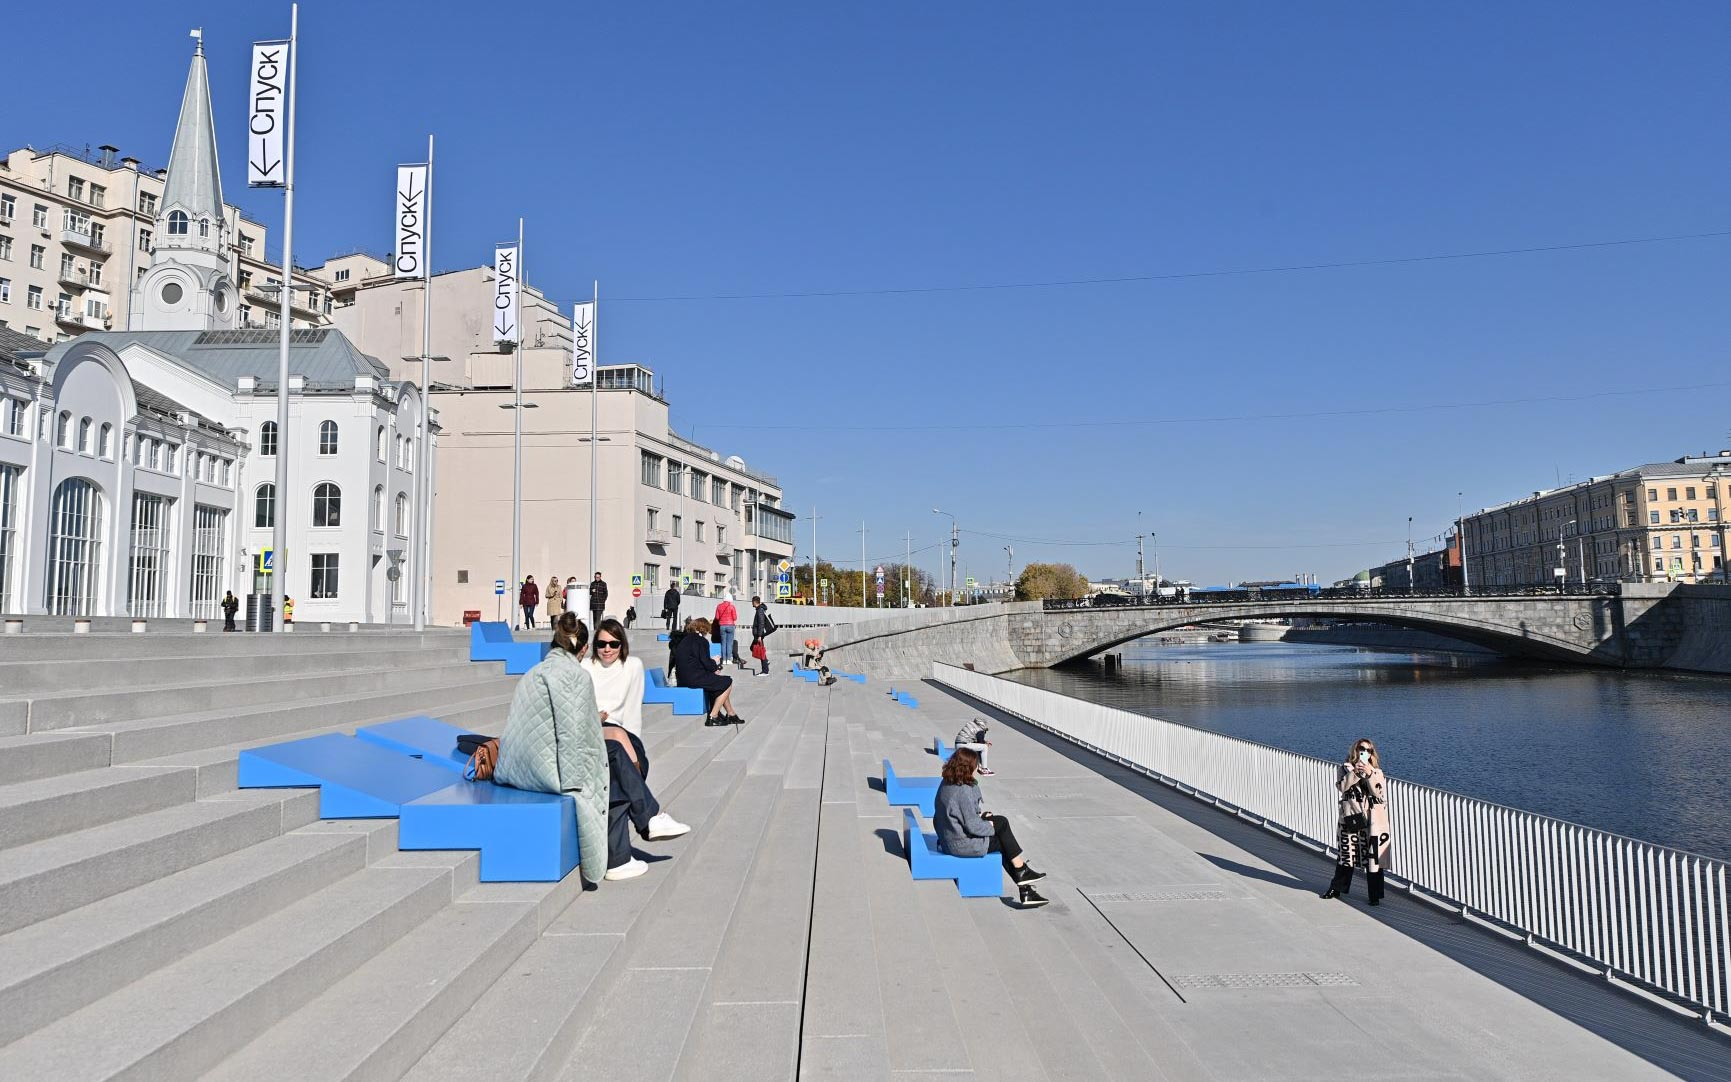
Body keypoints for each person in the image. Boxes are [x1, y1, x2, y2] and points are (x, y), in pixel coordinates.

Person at [492, 612, 611, 883]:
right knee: (616, 758)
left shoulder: (535, 672)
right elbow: (569, 734)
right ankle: (622, 850)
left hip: (516, 768)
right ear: (583, 650)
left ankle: (644, 820)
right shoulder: (574, 676)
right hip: (545, 773)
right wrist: (574, 786)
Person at [933, 747, 1047, 908]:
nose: (977, 768)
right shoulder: (963, 791)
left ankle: (1025, 884)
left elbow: (958, 815)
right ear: (968, 767)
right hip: (960, 844)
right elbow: (973, 827)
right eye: (975, 765)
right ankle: (1023, 877)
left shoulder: (947, 782)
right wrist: (988, 824)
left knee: (1001, 830)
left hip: (949, 837)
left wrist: (981, 818)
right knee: (1002, 829)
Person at [1321, 737, 1391, 905]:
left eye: (1369, 750)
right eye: (1362, 749)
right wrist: (1355, 773)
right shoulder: (1345, 769)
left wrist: (1368, 774)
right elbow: (1341, 787)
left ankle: (1374, 896)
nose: (1365, 752)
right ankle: (1336, 888)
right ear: (1355, 750)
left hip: (1372, 821)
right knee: (1346, 856)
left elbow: (1378, 794)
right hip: (1350, 818)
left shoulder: (1377, 772)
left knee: (1373, 860)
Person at [583, 617, 645, 737]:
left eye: (614, 644)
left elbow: (633, 711)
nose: (607, 649)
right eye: (601, 644)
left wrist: (634, 742)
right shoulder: (584, 666)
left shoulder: (633, 666)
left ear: (622, 645)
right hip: (589, 730)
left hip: (619, 733)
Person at [674, 617, 743, 726]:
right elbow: (706, 662)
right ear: (704, 628)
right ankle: (713, 716)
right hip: (693, 678)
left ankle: (731, 714)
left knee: (720, 683)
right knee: (727, 682)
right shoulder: (701, 641)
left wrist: (712, 666)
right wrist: (715, 663)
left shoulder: (685, 640)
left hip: (683, 678)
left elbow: (695, 660)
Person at [750, 595, 777, 675]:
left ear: (754, 602)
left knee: (759, 650)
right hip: (758, 634)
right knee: (754, 648)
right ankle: (766, 662)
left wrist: (759, 636)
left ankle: (765, 670)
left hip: (759, 634)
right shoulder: (759, 609)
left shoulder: (760, 610)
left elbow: (761, 623)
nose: (752, 603)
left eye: (752, 602)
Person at [714, 591, 739, 671]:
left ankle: (724, 660)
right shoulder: (732, 607)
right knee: (729, 643)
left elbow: (717, 617)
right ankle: (728, 659)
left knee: (723, 643)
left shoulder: (719, 606)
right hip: (731, 626)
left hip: (722, 626)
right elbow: (735, 618)